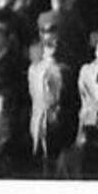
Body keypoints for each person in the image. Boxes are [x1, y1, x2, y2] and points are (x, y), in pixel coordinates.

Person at [28, 34, 75, 164]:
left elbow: (66, 94)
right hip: (39, 113)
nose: (51, 49)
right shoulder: (34, 69)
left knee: (55, 151)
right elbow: (33, 91)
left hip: (56, 114)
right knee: (39, 151)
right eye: (49, 46)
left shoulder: (64, 70)